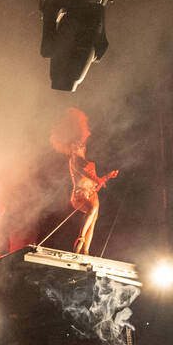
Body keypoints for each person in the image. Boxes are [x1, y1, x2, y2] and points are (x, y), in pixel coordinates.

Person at [51, 108, 119, 255]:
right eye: (76, 146)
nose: (80, 147)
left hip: (91, 193)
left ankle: (85, 250)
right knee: (91, 210)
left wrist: (107, 177)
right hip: (80, 194)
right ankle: (80, 238)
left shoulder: (87, 162)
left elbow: (96, 183)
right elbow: (83, 173)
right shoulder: (74, 160)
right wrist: (98, 178)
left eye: (80, 146)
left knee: (93, 219)